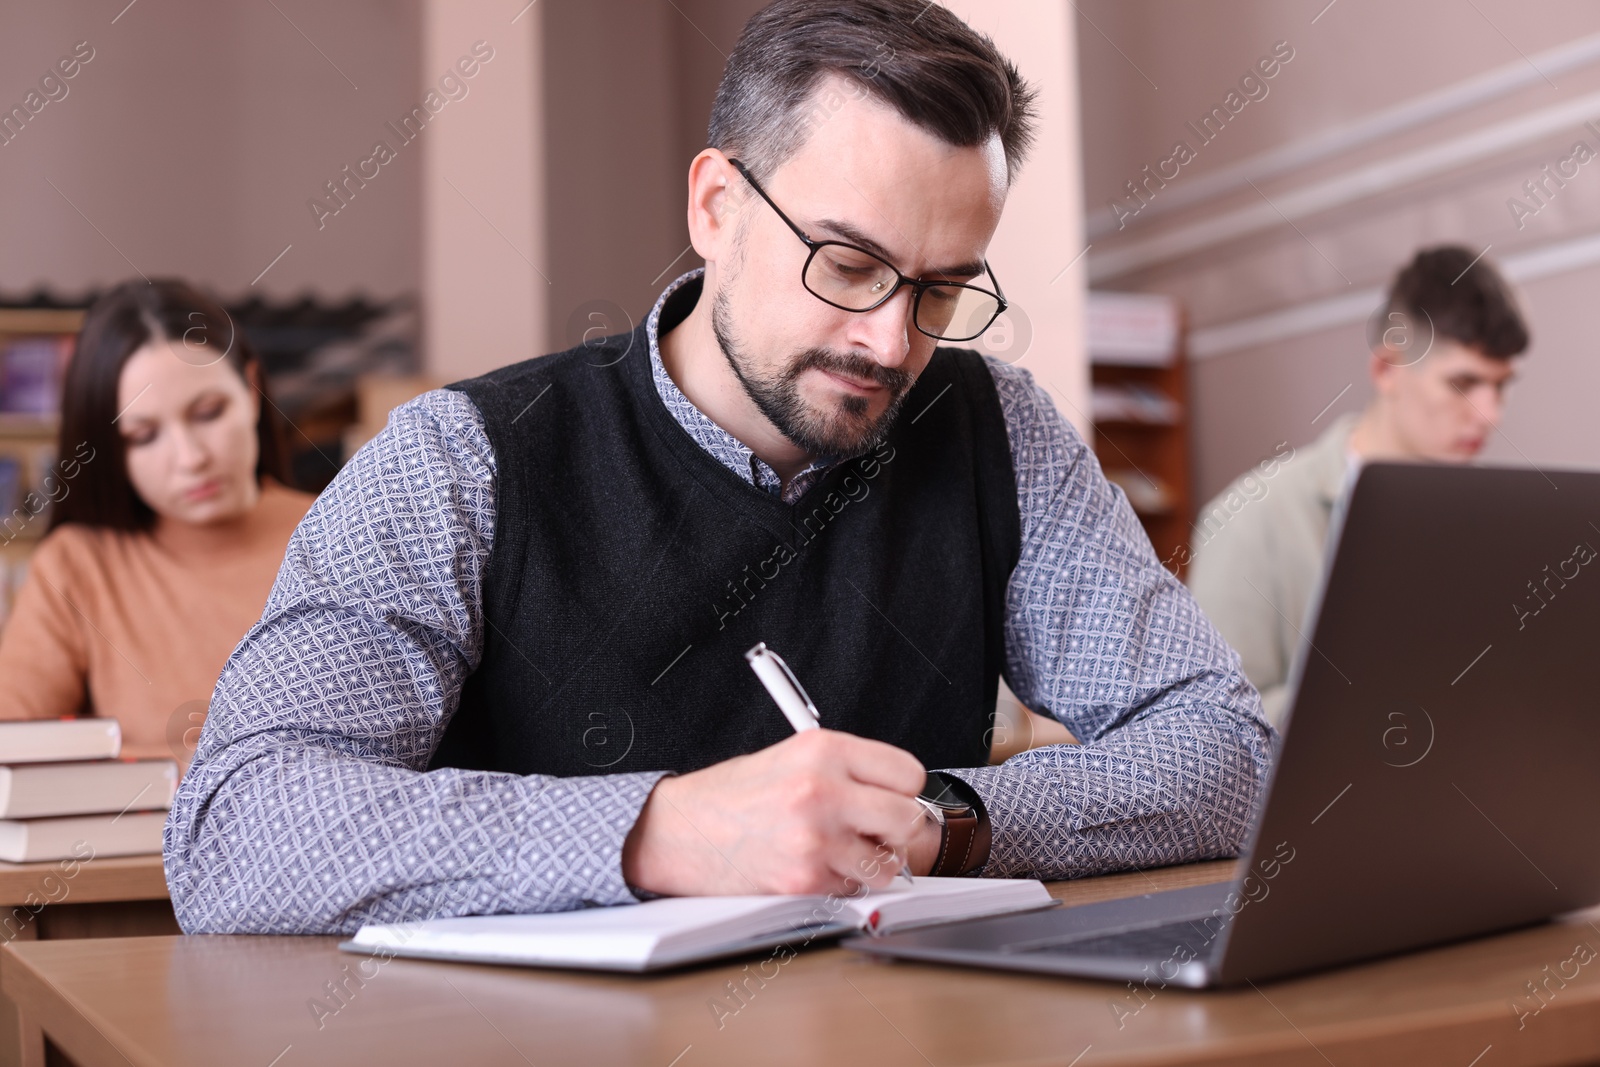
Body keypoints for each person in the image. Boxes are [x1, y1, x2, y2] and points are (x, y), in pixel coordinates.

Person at [166, 0, 1271, 935]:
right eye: (847, 264)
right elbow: (233, 827)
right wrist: (658, 831)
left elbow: (1227, 748)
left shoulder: (1000, 430)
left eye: (938, 290)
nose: (891, 343)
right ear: (715, 208)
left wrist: (943, 816)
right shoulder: (459, 461)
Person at [1188, 246, 1530, 726]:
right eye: (1463, 384)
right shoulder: (1249, 519)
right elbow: (1213, 725)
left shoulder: (1503, 520)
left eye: (1501, 386)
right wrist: (1380, 693)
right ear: (1387, 370)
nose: (1489, 414)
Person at [0, 279, 315, 762]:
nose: (190, 458)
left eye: (209, 413)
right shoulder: (78, 566)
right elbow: (15, 751)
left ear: (252, 392)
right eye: (144, 436)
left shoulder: (342, 533)